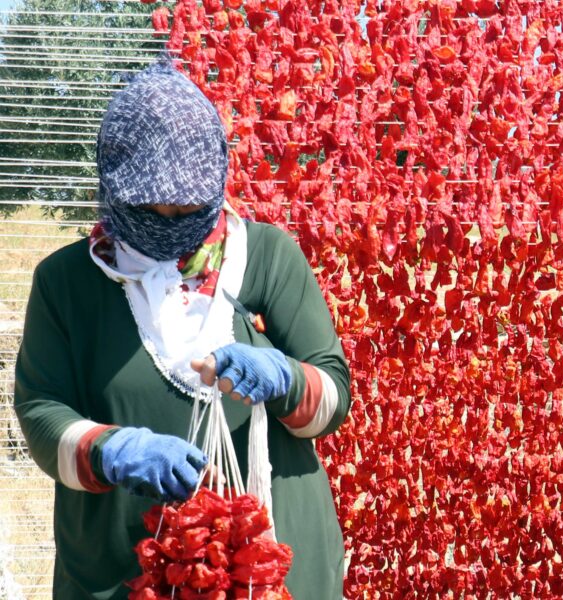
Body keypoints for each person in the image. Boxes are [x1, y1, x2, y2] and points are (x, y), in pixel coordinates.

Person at [13, 51, 352, 598]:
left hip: (267, 565)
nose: (172, 220)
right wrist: (108, 450)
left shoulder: (268, 258)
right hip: (123, 569)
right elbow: (40, 409)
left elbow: (334, 399)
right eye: (151, 209)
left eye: (190, 208)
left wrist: (287, 379)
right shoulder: (68, 283)